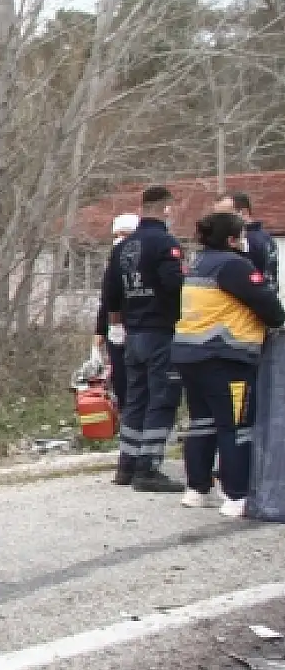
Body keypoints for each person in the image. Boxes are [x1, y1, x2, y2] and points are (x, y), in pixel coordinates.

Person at [172, 211, 285, 516]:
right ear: (233, 239)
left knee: (202, 423)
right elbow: (267, 304)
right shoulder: (234, 265)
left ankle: (197, 488)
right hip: (224, 356)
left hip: (190, 354)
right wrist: (277, 321)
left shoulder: (200, 263)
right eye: (242, 236)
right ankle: (236, 496)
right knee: (235, 427)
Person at [102, 185, 186, 493]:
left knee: (135, 397)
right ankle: (148, 467)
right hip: (161, 330)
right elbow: (174, 285)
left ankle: (127, 462)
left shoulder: (123, 247)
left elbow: (111, 292)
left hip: (132, 331)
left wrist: (116, 324)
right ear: (166, 208)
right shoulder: (164, 243)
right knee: (161, 397)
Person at [87, 214, 139, 415]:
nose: (119, 240)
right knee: (121, 379)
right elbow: (107, 300)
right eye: (117, 235)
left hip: (140, 328)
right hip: (116, 330)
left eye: (124, 235)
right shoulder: (112, 264)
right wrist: (100, 333)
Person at [213, 192, 279, 293]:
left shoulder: (247, 240)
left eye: (224, 215)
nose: (218, 221)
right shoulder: (264, 237)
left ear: (243, 212)